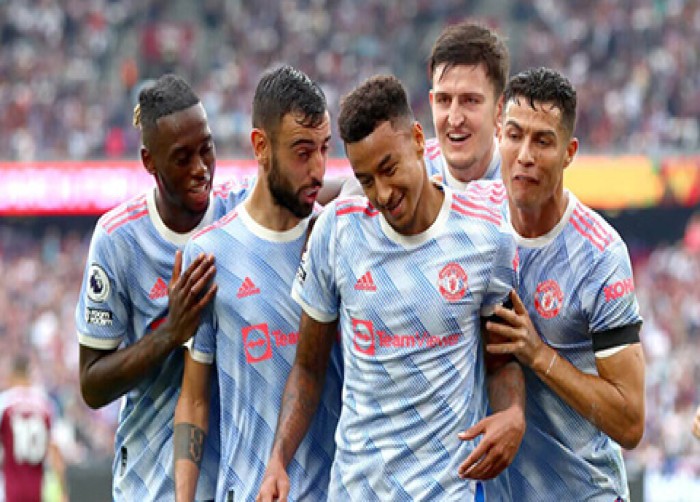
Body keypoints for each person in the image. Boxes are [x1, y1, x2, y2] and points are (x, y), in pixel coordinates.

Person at [257, 75, 524, 501]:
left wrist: (513, 412)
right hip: (356, 490)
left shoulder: (485, 234)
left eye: (389, 169)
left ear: (417, 140)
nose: (381, 194)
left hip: (446, 491)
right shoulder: (337, 231)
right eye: (365, 180)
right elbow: (308, 368)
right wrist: (277, 459)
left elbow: (501, 360)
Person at [75, 74, 252, 501]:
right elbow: (92, 385)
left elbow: (316, 193)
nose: (201, 168)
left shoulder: (241, 212)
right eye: (182, 157)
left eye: (206, 148)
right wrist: (171, 333)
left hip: (236, 481)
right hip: (151, 483)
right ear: (149, 162)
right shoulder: (119, 239)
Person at [173, 65, 342, 502]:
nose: (319, 169)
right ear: (261, 146)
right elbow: (194, 400)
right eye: (302, 152)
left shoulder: (339, 242)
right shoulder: (210, 254)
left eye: (325, 148)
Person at [483, 67, 645, 501]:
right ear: (498, 135)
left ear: (569, 152)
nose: (525, 155)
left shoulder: (600, 256)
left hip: (585, 491)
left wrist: (539, 356)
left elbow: (630, 422)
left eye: (542, 141)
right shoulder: (473, 226)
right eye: (514, 135)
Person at [425, 20, 510, 188]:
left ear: (499, 109)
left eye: (470, 100)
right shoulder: (407, 178)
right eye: (444, 100)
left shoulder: (524, 184)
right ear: (432, 103)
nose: (455, 120)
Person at [0, 355, 67, 502]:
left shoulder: (4, 402)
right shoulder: (45, 403)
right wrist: (63, 490)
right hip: (38, 489)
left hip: (9, 488)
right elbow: (55, 449)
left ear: (11, 375)